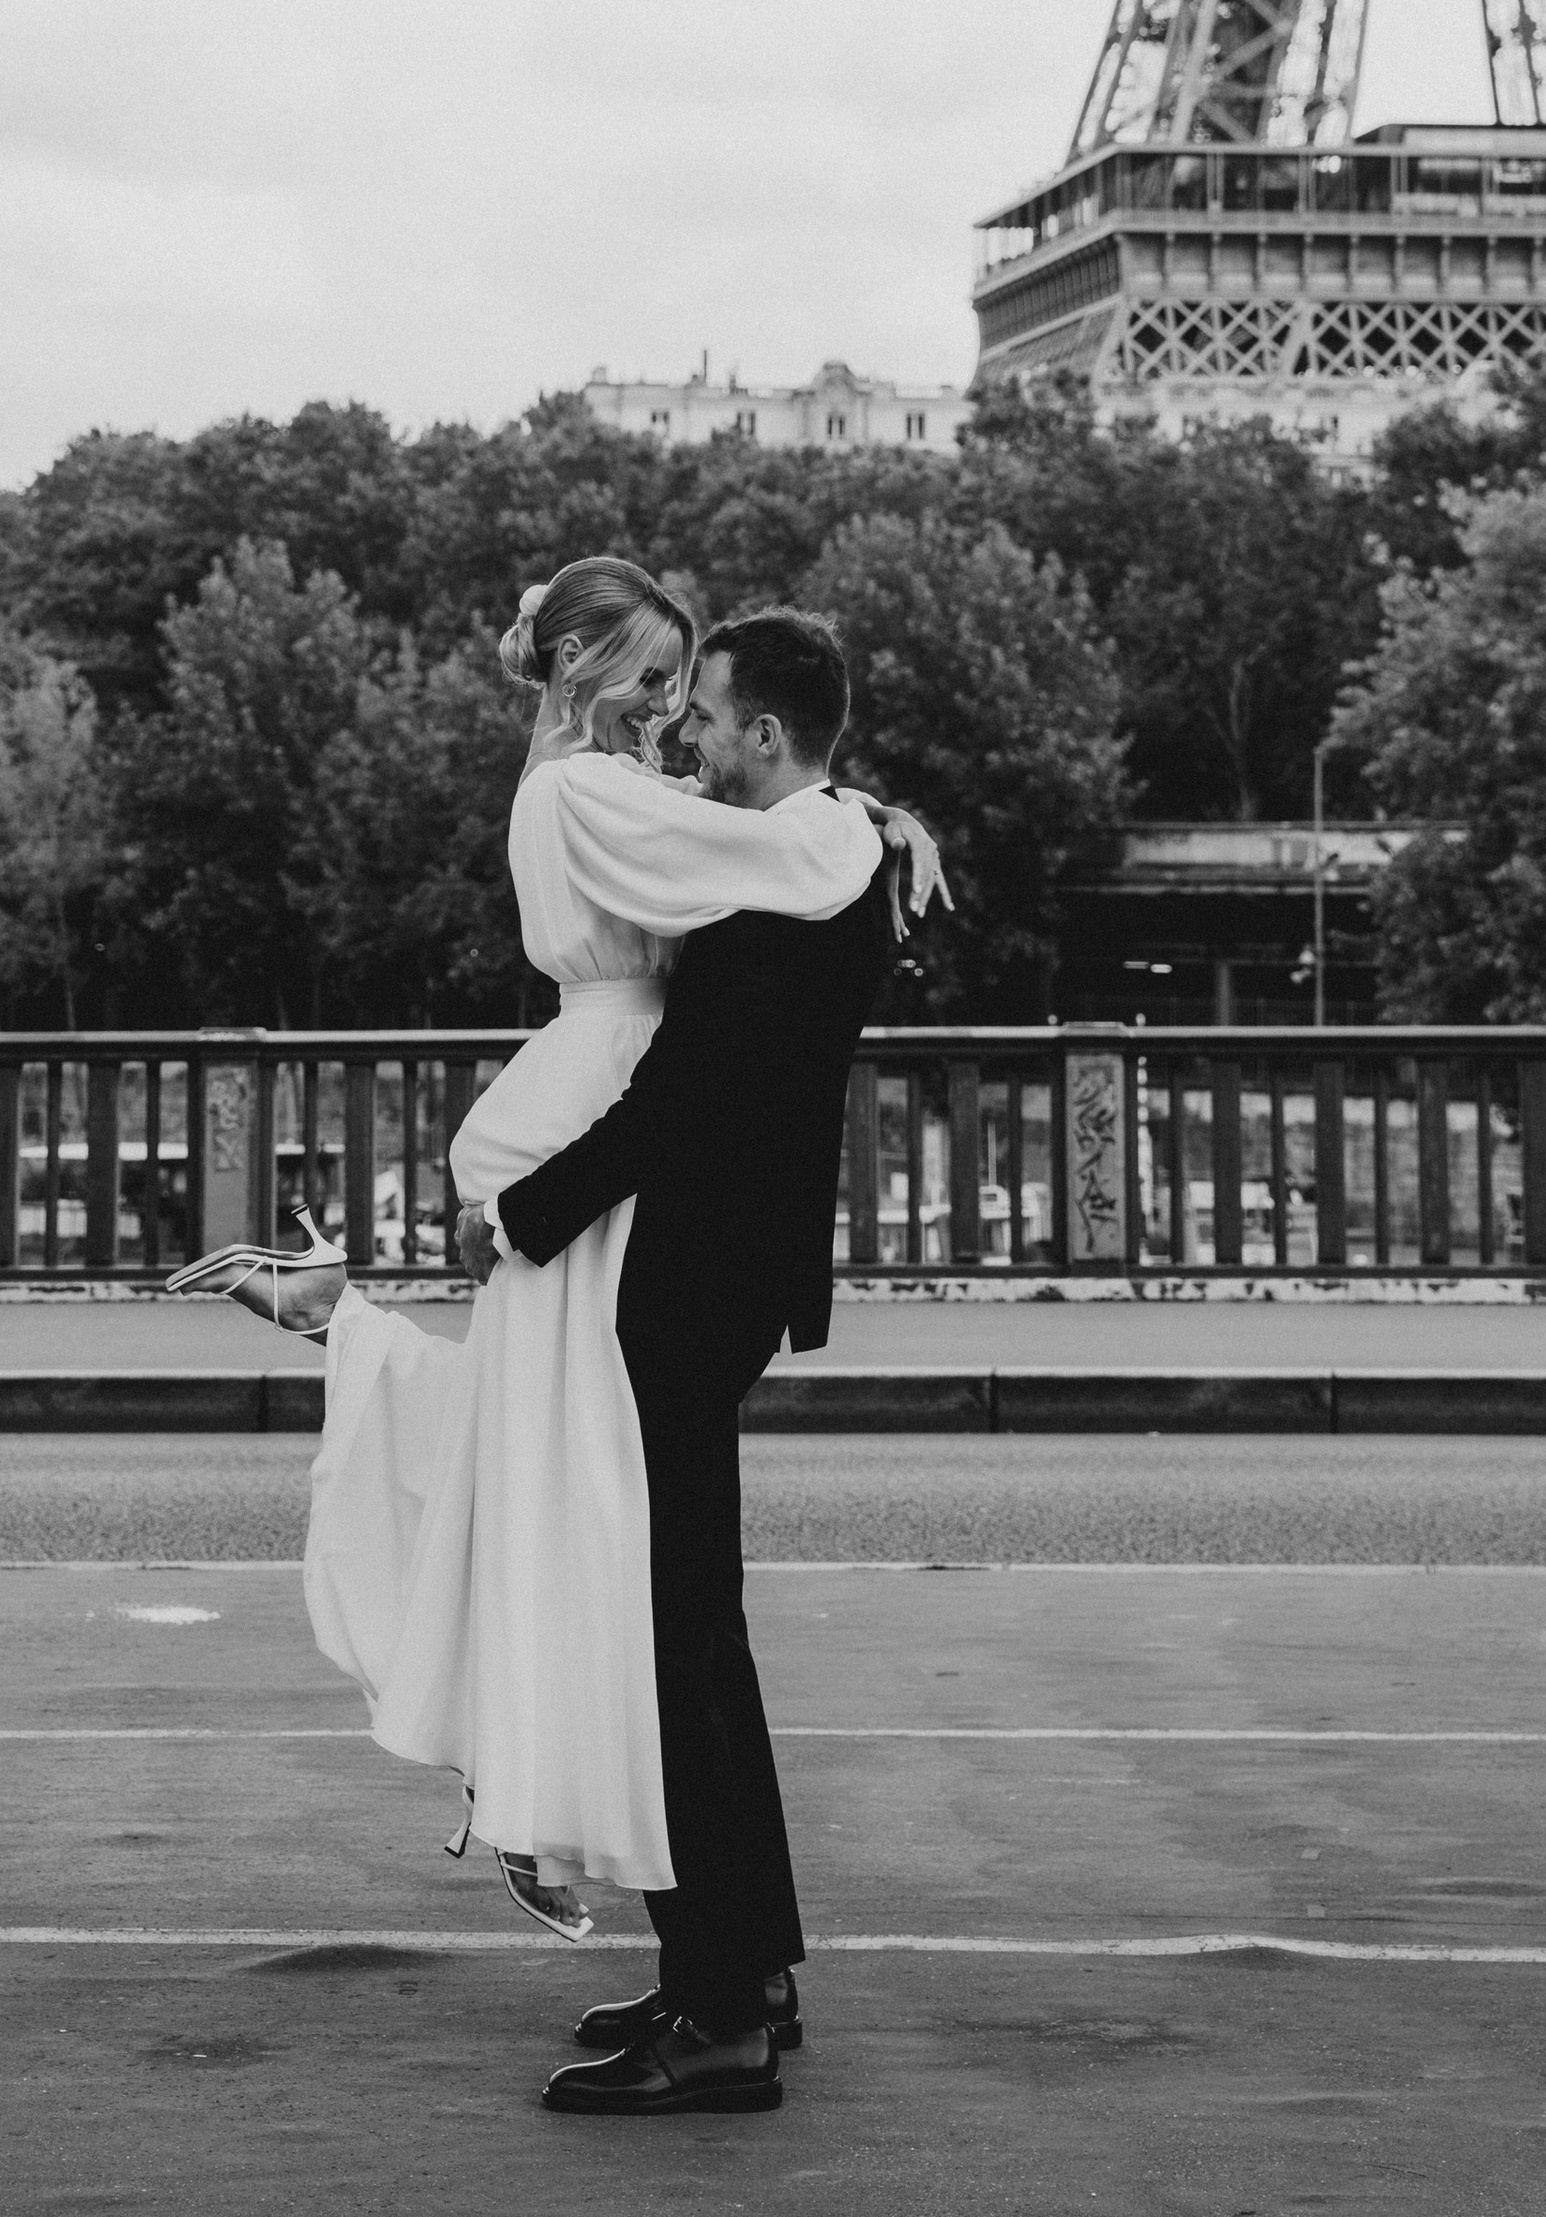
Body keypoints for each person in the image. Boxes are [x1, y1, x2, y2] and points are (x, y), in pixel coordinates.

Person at [194, 555, 912, 1947]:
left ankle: (670, 1911)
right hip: (609, 1149)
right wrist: (875, 822)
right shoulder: (590, 791)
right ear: (582, 672)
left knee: (594, 1533)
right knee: (605, 1540)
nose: (670, 716)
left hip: (608, 1157)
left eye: (685, 690)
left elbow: (755, 823)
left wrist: (867, 813)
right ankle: (689, 1929)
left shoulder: (614, 789)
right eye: (652, 681)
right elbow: (774, 841)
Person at [473, 602, 897, 2120]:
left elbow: (682, 1100)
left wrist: (523, 1208)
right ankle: (744, 1964)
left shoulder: (785, 884)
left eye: (705, 713)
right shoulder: (825, 852)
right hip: (732, 1274)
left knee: (670, 1647)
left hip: (689, 1276)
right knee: (699, 1635)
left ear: (764, 732)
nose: (689, 739)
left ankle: (719, 2009)